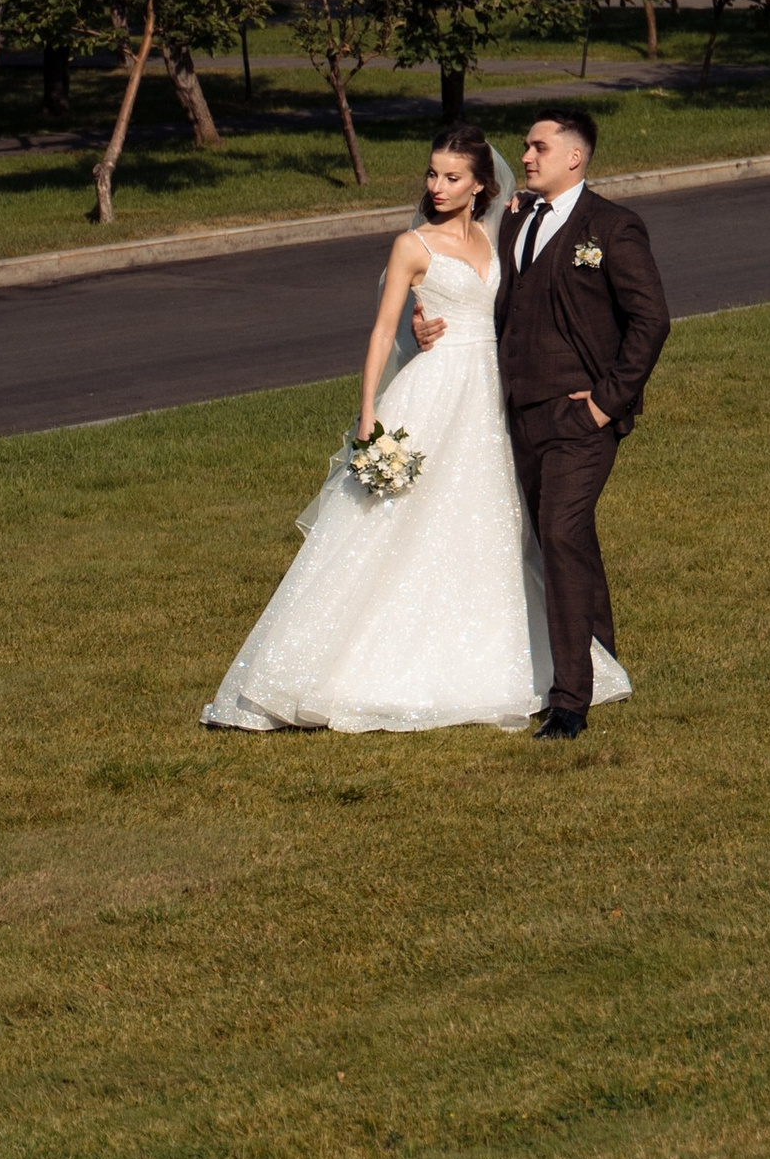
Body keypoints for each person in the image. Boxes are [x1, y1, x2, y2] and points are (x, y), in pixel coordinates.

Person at [201, 125, 630, 736]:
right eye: (432, 175)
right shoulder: (412, 245)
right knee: (394, 523)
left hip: (494, 393)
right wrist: (370, 408)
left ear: (481, 183)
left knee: (493, 522)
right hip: (436, 391)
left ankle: (526, 658)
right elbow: (384, 331)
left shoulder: (501, 230)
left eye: (452, 177)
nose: (436, 186)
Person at [484, 106, 671, 740]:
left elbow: (651, 322)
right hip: (518, 413)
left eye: (537, 147)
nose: (526, 158)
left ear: (575, 157)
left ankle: (570, 702)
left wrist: (604, 403)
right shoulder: (514, 224)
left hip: (580, 418)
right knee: (558, 537)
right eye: (525, 146)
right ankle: (604, 663)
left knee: (560, 534)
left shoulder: (613, 228)